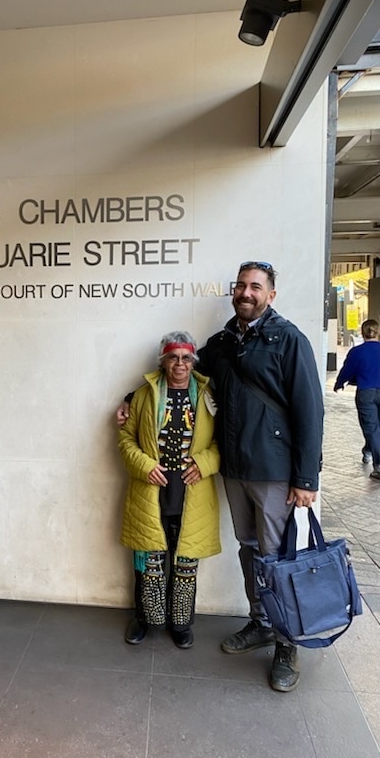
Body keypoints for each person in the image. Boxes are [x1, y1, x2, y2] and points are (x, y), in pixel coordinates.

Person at [117, 261, 324, 692]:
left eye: (256, 287)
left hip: (274, 470)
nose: (246, 293)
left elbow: (310, 409)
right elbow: (181, 372)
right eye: (241, 286)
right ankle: (261, 623)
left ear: (271, 294)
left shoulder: (288, 340)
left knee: (277, 557)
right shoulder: (223, 342)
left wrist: (306, 478)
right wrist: (127, 401)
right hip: (234, 469)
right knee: (250, 551)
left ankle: (287, 646)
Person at [118, 330, 221, 649]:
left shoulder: (207, 396)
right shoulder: (141, 396)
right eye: (173, 357)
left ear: (193, 361)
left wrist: (204, 463)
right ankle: (145, 618)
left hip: (192, 496)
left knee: (186, 563)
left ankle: (181, 622)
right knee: (148, 563)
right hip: (150, 495)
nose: (180, 364)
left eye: (186, 358)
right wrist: (145, 466)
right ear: (162, 361)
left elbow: (221, 443)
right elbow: (125, 440)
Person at [334, 318, 380, 480]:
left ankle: (377, 464)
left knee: (371, 428)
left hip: (366, 392)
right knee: (375, 428)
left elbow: (347, 370)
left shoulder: (357, 352)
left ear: (363, 332)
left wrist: (339, 383)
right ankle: (369, 450)